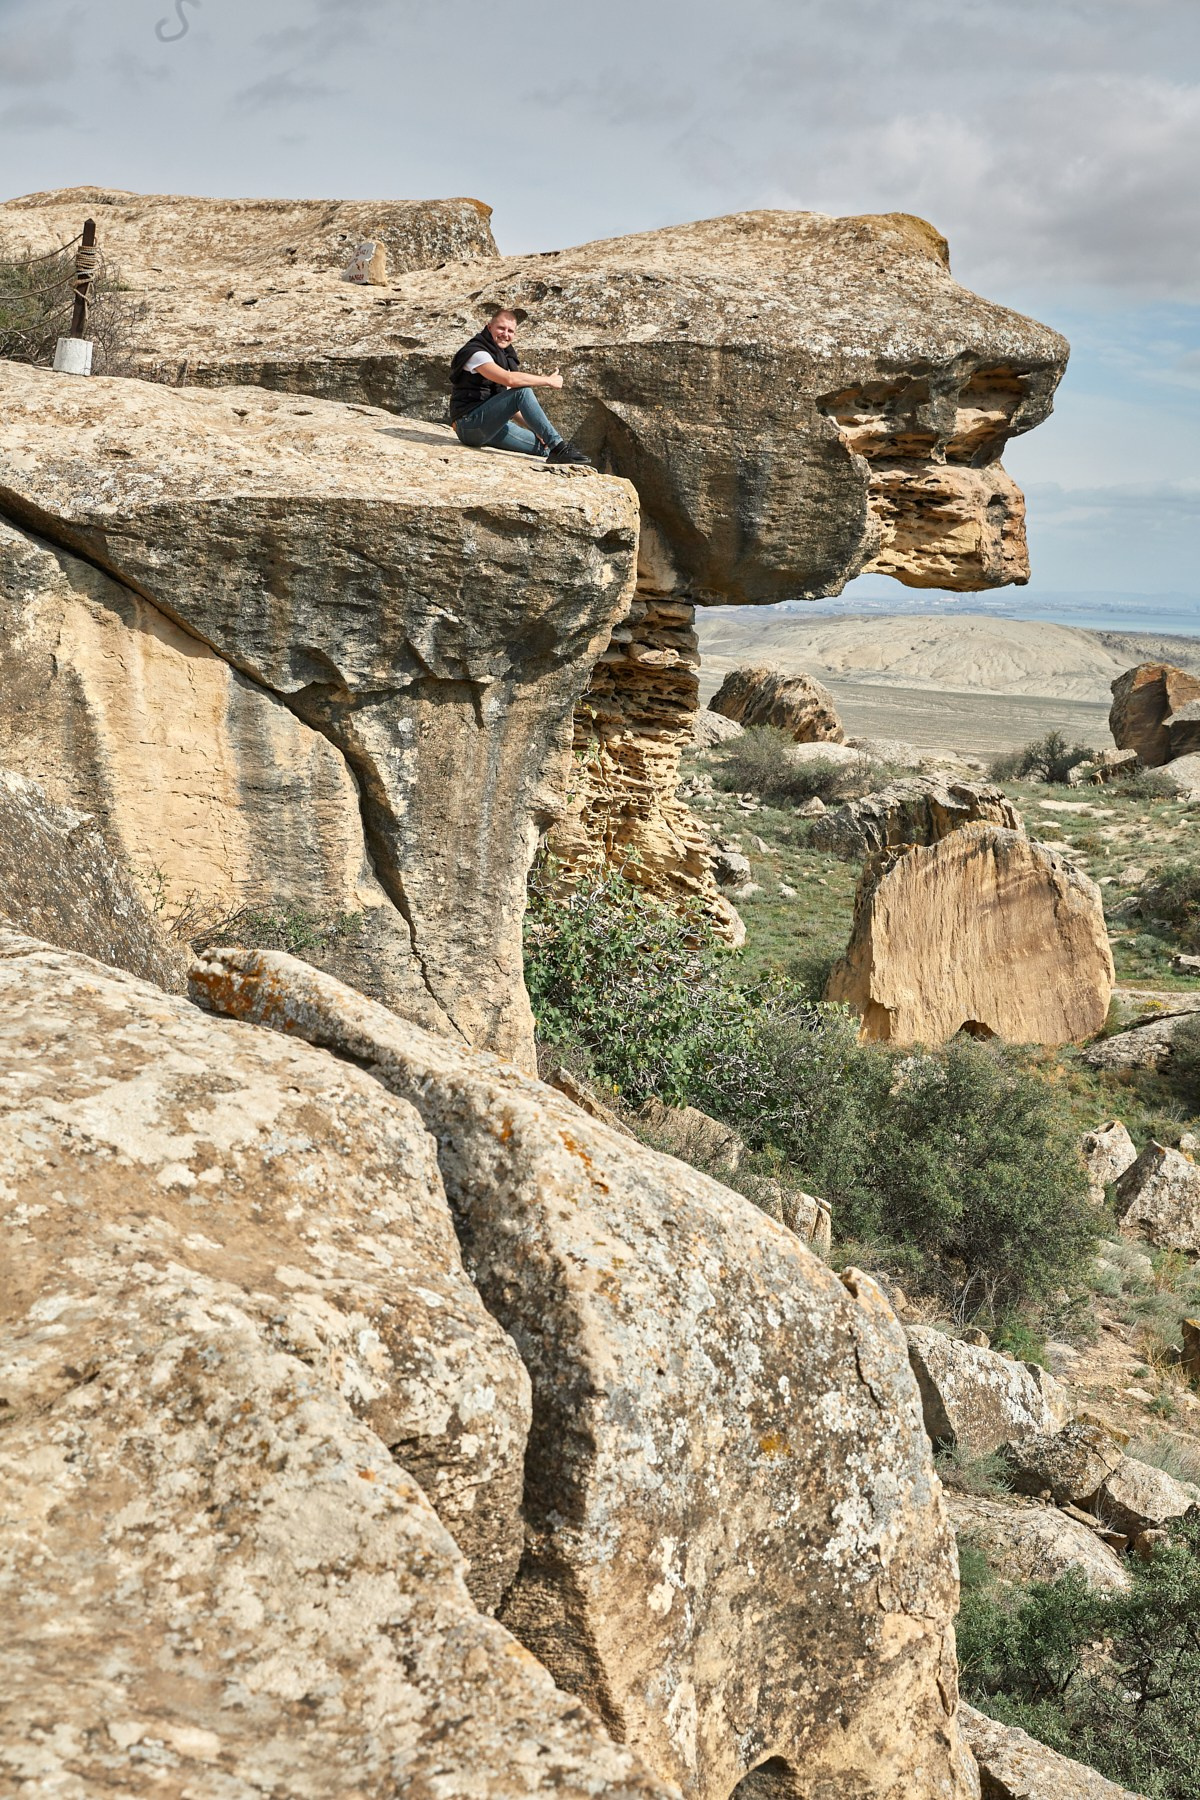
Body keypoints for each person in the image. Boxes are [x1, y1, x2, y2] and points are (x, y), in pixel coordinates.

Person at [449, 308, 592, 465]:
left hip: (491, 426)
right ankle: (560, 447)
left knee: (544, 447)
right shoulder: (476, 353)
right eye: (501, 328)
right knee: (523, 391)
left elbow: (511, 403)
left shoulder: (505, 356)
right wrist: (548, 381)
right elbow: (509, 380)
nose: (505, 334)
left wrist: (538, 430)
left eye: (510, 331)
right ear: (489, 327)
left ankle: (556, 449)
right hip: (469, 426)